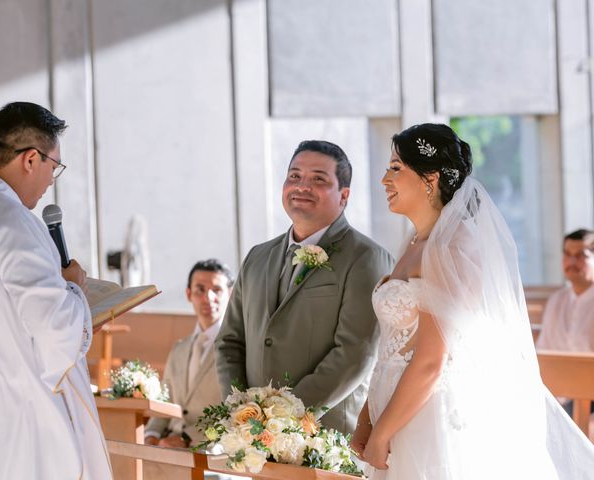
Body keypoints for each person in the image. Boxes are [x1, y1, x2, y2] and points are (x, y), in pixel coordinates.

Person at [352, 123, 594, 479]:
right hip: (393, 407)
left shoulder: (453, 246)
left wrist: (383, 431)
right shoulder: (414, 243)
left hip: (429, 416)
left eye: (395, 168)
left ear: (429, 178)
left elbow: (432, 360)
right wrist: (367, 419)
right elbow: (392, 348)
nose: (384, 179)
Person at [0, 102, 111, 479]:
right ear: (30, 159)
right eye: (53, 167)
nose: (49, 182)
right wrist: (73, 289)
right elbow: (56, 332)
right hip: (18, 422)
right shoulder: (10, 219)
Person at [215, 140, 394, 434]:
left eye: (318, 179)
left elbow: (354, 354)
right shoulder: (257, 257)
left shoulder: (367, 258)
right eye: (294, 176)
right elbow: (229, 342)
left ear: (344, 195)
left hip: (323, 435)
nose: (302, 186)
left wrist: (281, 418)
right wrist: (242, 412)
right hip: (255, 440)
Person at [145, 259, 234, 447]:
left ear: (231, 294)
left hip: (213, 452)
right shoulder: (179, 349)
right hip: (168, 449)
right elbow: (164, 400)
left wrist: (187, 439)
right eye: (200, 289)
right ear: (188, 294)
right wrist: (151, 435)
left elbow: (236, 410)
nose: (208, 298)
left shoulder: (238, 347)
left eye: (216, 290)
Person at [536, 229, 594, 351]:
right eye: (567, 254)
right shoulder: (556, 300)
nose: (571, 262)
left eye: (580, 255)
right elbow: (543, 351)